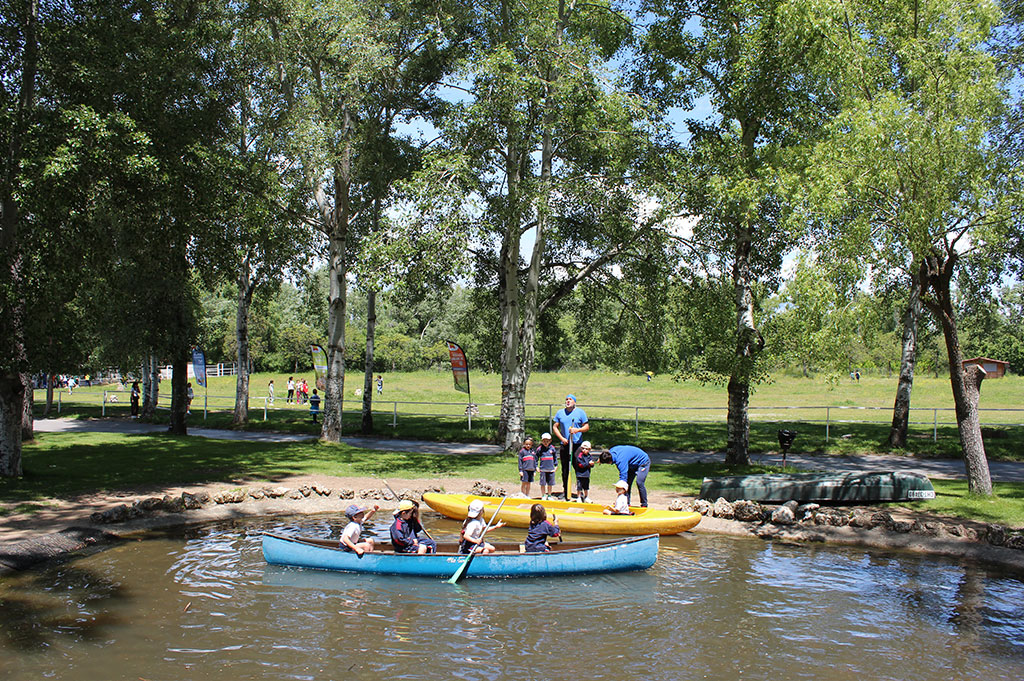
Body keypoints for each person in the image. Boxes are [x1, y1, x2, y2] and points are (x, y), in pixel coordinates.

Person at [552, 394, 589, 500]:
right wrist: (562, 438)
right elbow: (555, 426)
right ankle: (565, 491)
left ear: (574, 402)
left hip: (576, 444)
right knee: (565, 468)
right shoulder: (560, 413)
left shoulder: (580, 412)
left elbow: (586, 426)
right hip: (565, 444)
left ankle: (579, 492)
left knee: (578, 467)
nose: (568, 401)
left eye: (570, 399)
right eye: (566, 399)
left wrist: (577, 430)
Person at [536, 433, 558, 500]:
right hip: (543, 469)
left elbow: (555, 458)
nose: (546, 443)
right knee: (543, 483)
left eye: (547, 441)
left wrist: (556, 465)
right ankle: (543, 495)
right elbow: (536, 458)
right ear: (542, 441)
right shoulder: (539, 449)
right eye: (544, 441)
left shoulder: (552, 449)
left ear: (550, 441)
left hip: (551, 469)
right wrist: (536, 466)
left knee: (550, 484)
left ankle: (549, 495)